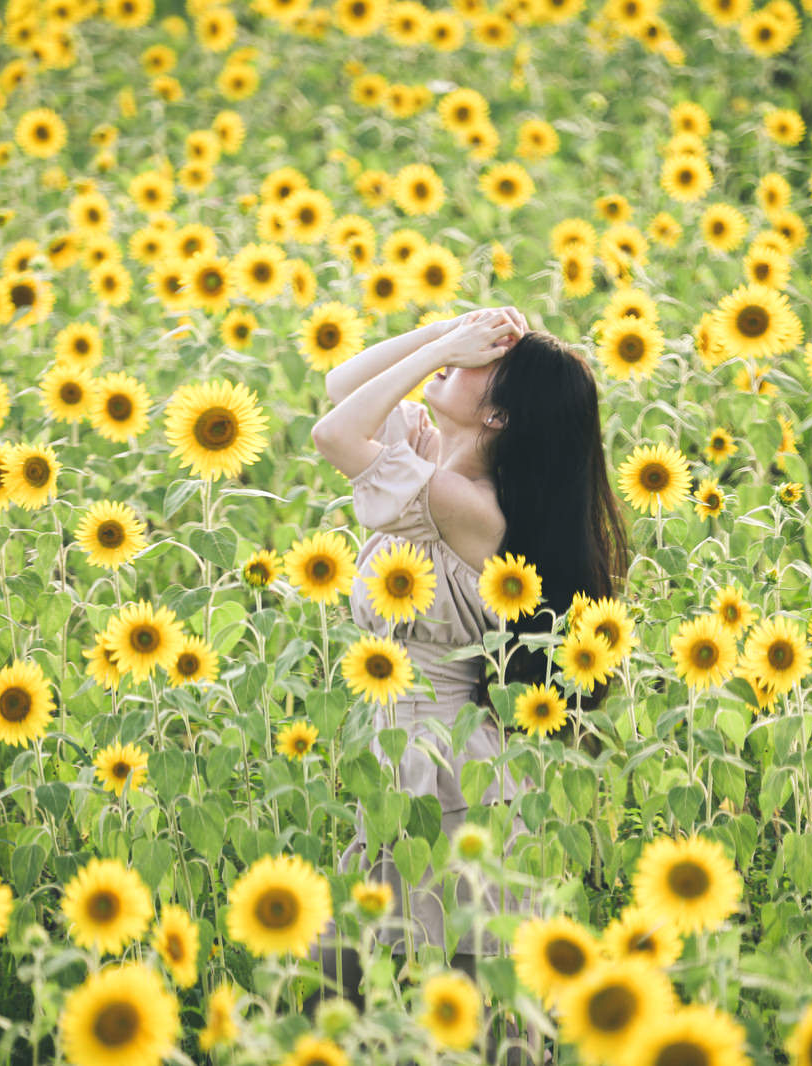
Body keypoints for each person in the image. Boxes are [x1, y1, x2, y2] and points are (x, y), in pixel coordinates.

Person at [303, 307, 632, 1062]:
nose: (461, 357)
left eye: (486, 362)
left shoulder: (469, 508)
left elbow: (334, 435)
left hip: (442, 760)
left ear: (497, 414)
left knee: (456, 987)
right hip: (397, 747)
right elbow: (340, 385)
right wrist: (444, 332)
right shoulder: (429, 458)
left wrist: (444, 351)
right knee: (358, 976)